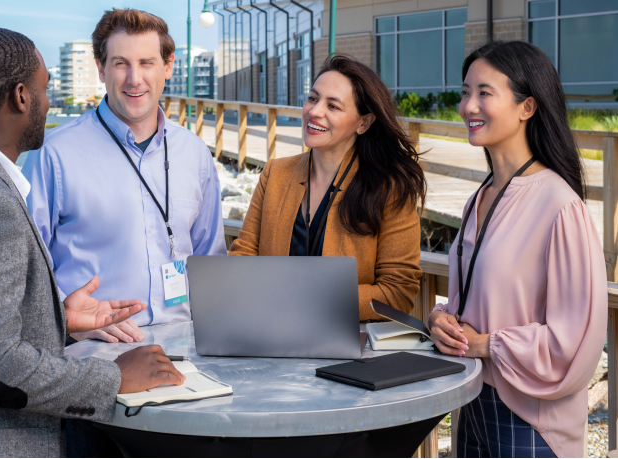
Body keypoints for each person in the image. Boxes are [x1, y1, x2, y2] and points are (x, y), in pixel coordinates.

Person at [0, 28, 184, 458]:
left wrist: (55, 319)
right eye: (44, 88)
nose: (47, 102)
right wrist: (113, 377)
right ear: (21, 97)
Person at [428, 40, 606, 458]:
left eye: (484, 93)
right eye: (465, 92)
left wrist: (487, 344)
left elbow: (575, 341)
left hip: (532, 419)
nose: (468, 106)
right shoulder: (481, 196)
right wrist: (441, 320)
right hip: (472, 399)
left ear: (527, 107)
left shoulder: (559, 205)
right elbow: (475, 301)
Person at [24, 8, 226, 344]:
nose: (135, 78)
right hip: (93, 355)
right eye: (121, 64)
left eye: (147, 62)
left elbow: (211, 260)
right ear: (101, 69)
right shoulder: (53, 154)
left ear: (168, 66)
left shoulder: (195, 153)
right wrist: (67, 317)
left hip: (188, 346)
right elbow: (26, 269)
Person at [230, 54, 425, 320]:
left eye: (333, 106)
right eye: (313, 98)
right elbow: (243, 257)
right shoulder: (275, 173)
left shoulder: (389, 189)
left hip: (348, 347)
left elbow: (397, 293)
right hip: (270, 336)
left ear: (363, 123)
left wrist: (310, 300)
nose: (315, 111)